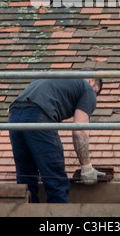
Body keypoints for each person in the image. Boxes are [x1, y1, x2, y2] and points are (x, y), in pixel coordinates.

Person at [8, 75, 105, 203]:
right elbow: (79, 131)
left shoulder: (51, 80)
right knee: (55, 179)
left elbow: (10, 110)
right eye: (96, 92)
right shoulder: (87, 88)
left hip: (14, 117)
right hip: (39, 115)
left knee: (26, 179)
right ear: (91, 80)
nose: (94, 97)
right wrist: (87, 169)